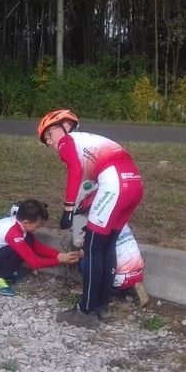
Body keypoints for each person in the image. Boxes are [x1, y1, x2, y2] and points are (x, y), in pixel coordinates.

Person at [37, 109, 144, 328]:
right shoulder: (86, 142)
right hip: (133, 182)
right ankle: (102, 307)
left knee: (93, 249)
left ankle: (86, 312)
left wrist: (67, 211)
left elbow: (75, 172)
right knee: (107, 248)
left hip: (114, 183)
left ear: (64, 126)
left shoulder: (68, 141)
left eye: (49, 135)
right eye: (46, 141)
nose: (49, 142)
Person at [0, 198, 82, 297]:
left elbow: (37, 246)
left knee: (27, 241)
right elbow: (34, 262)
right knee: (16, 250)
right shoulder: (13, 233)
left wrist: (60, 254)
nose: (38, 228)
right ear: (26, 222)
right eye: (38, 225)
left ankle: (5, 274)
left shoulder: (17, 223)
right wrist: (59, 260)